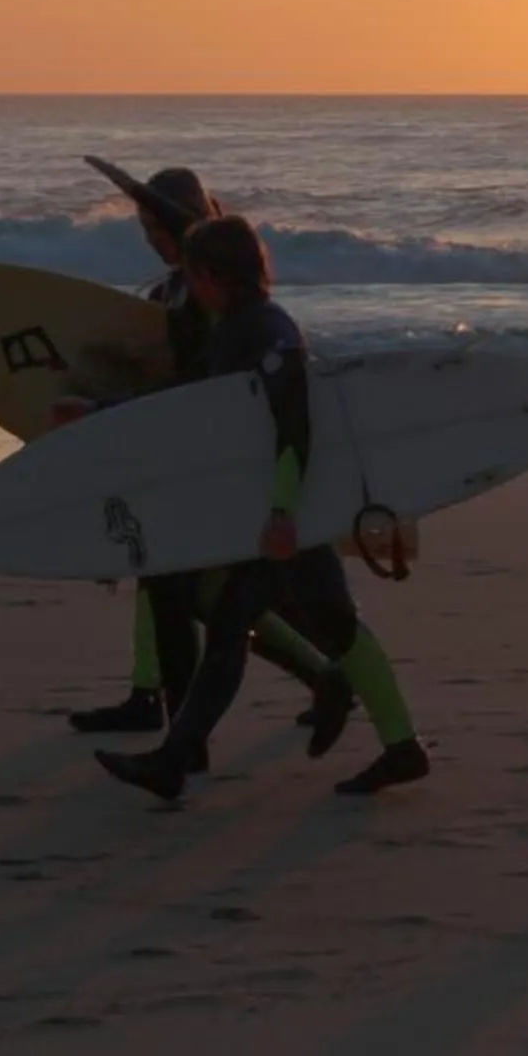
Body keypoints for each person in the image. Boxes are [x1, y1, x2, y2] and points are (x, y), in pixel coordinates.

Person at [97, 214, 429, 803]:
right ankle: (396, 742)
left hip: (290, 508)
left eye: (193, 275)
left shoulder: (268, 331)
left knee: (239, 625)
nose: (189, 286)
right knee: (323, 623)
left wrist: (281, 513)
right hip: (277, 506)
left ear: (212, 274)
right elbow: (197, 398)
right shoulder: (235, 328)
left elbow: (294, 427)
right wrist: (104, 411)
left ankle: (175, 761)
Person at [60, 162, 352, 756]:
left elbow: (202, 387)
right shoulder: (176, 291)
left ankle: (321, 682)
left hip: (226, 464)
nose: (150, 241)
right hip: (188, 455)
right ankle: (166, 706)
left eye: (157, 229)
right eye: (142, 230)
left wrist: (106, 414)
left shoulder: (212, 299)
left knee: (229, 596)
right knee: (189, 588)